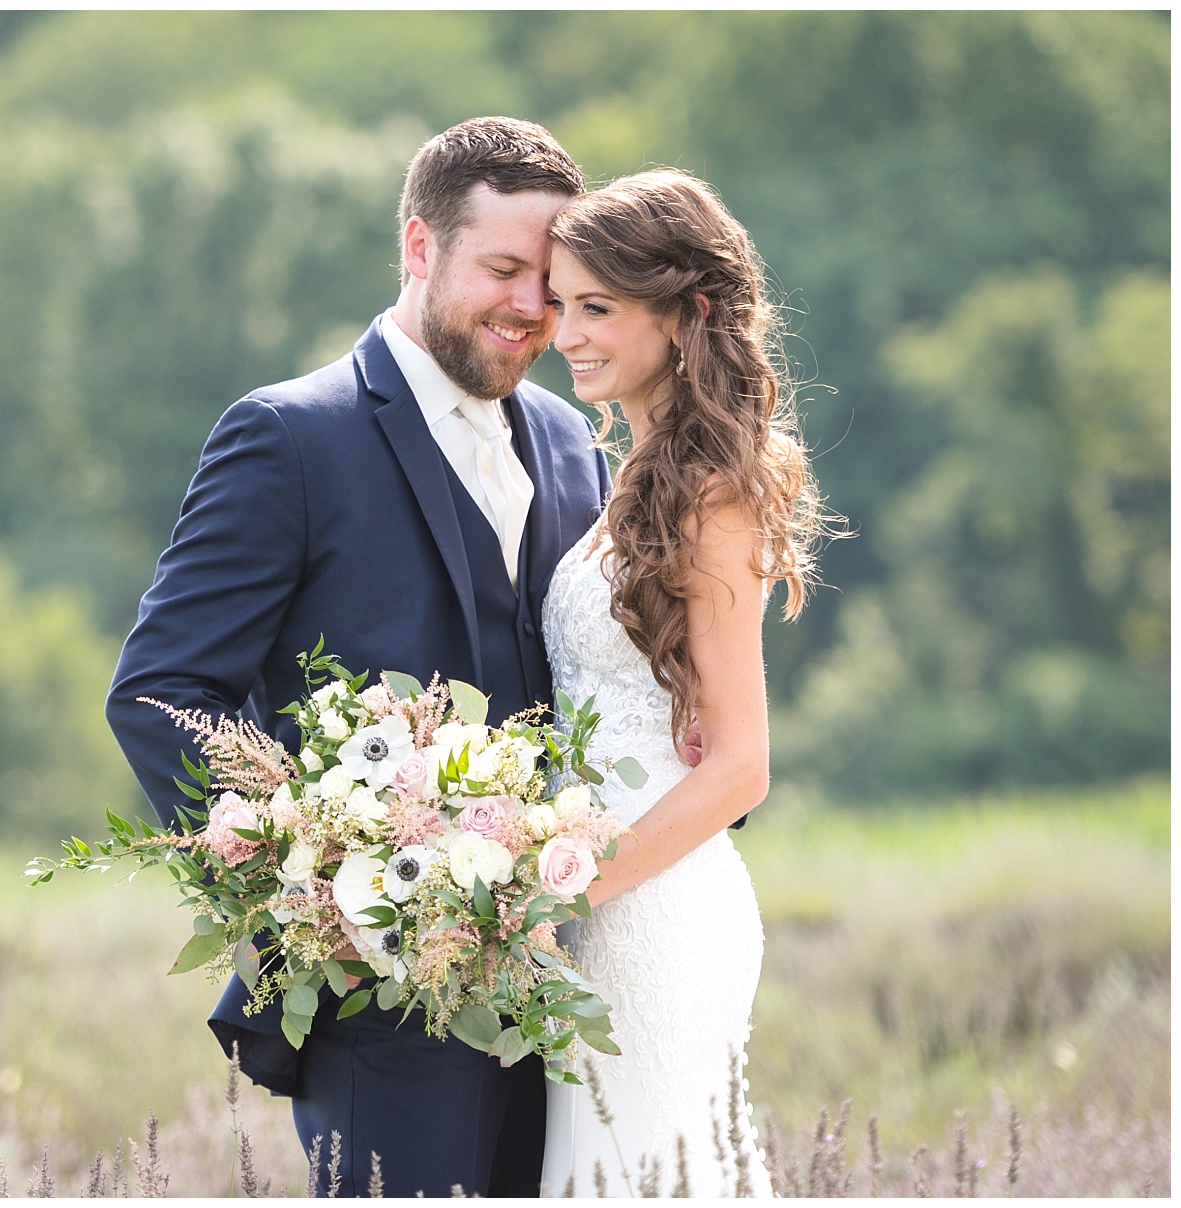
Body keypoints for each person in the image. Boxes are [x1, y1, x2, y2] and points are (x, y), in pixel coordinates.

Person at [105, 117, 603, 1196]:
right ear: (419, 247)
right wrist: (310, 884)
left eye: (554, 282)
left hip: (568, 992)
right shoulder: (288, 435)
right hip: (380, 1000)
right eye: (504, 269)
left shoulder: (571, 440)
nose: (531, 306)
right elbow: (160, 690)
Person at [537, 169, 831, 1197]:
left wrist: (561, 887)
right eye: (558, 303)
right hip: (597, 905)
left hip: (652, 911)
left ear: (686, 312)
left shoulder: (711, 493)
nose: (563, 331)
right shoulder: (631, 474)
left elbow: (742, 764)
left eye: (597, 308)